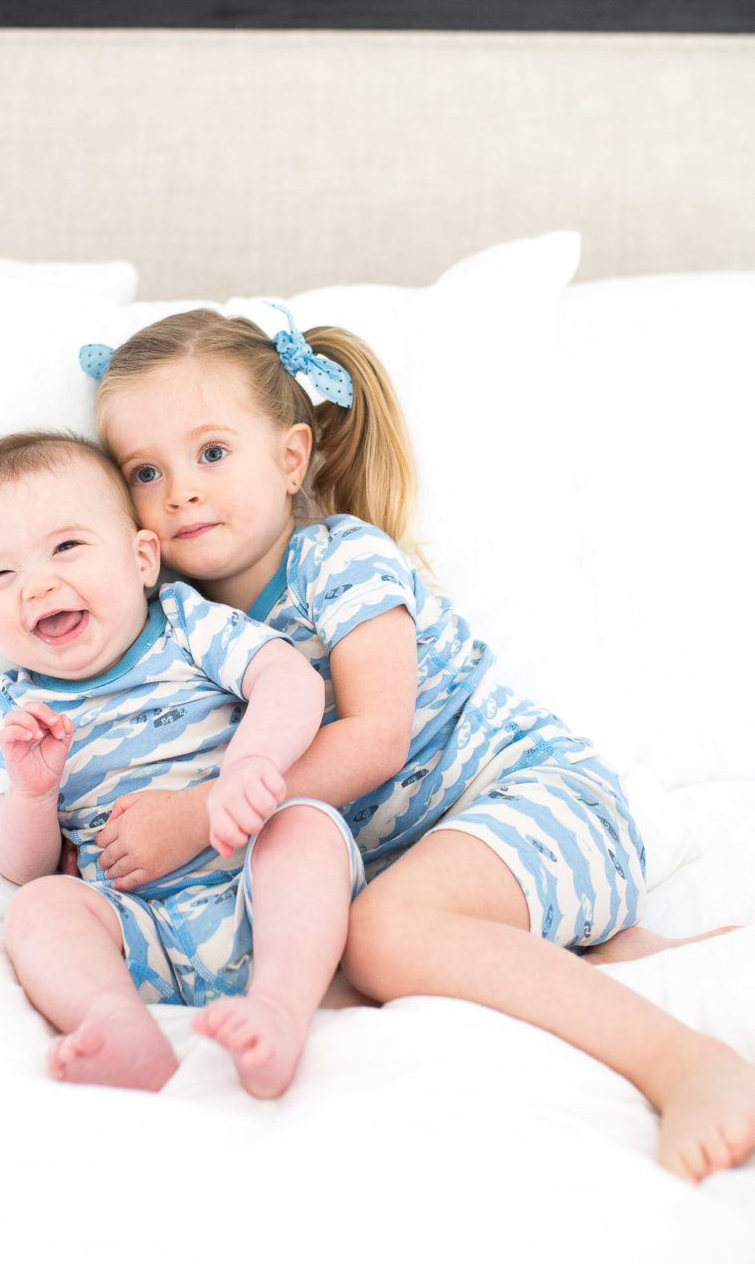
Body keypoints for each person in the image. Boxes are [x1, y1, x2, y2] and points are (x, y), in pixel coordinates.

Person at [84, 305, 755, 1182]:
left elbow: (377, 740)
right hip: (446, 855)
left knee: (381, 936)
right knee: (311, 955)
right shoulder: (185, 628)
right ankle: (607, 955)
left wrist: (199, 814)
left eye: (211, 453)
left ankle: (688, 1062)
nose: (180, 491)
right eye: (144, 470)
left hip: (538, 796)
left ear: (292, 458)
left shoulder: (342, 560)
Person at [0, 430, 366, 1097]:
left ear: (143, 559)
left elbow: (291, 680)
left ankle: (279, 1010)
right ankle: (116, 1021)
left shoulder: (184, 625)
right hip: (141, 932)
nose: (38, 585)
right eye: (1, 574)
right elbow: (19, 866)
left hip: (257, 890)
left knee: (307, 829)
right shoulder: (17, 710)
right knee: (40, 906)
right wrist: (31, 795)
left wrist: (247, 766)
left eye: (66, 548)